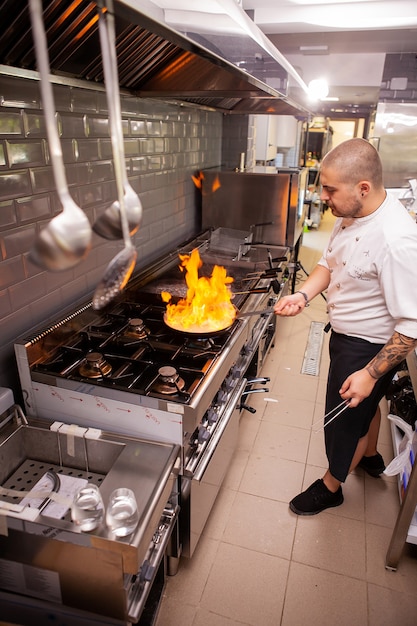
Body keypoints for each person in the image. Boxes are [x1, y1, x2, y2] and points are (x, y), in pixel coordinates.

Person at [274, 138, 417, 516]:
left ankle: (332, 485)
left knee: (343, 421)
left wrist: (370, 374)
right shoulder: (350, 212)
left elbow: (412, 326)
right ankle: (369, 455)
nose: (324, 198)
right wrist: (302, 296)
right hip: (346, 336)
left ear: (363, 188)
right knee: (366, 411)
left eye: (330, 190)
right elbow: (328, 263)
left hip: (368, 348)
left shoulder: (397, 240)